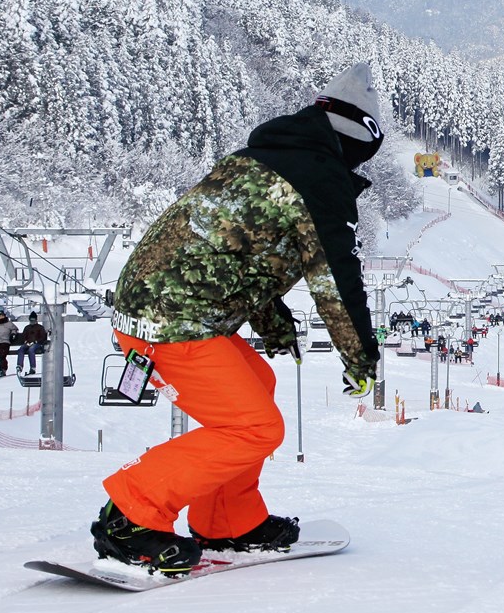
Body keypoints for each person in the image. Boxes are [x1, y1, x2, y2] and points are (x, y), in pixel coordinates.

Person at [91, 63, 385, 574]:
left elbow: (240, 253)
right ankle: (129, 518)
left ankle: (229, 522)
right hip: (175, 320)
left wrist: (273, 325)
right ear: (358, 139)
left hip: (161, 305)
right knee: (254, 428)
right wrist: (361, 357)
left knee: (257, 381)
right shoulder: (319, 180)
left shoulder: (259, 160)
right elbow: (335, 280)